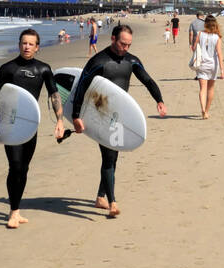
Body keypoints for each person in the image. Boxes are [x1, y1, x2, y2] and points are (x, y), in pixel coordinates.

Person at [70, 24, 167, 218]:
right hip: (100, 114)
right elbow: (80, 87)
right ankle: (112, 202)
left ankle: (100, 196)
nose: (125, 48)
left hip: (119, 116)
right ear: (113, 39)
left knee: (113, 157)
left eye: (129, 45)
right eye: (122, 43)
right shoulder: (99, 61)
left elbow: (147, 81)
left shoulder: (131, 61)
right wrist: (76, 116)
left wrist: (159, 100)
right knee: (108, 156)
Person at [0, 29, 66, 229]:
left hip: (30, 125)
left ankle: (16, 210)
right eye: (24, 43)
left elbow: (54, 95)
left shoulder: (44, 69)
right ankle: (13, 212)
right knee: (16, 166)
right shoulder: (8, 69)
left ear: (37, 47)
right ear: (19, 44)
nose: (26, 47)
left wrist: (60, 121)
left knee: (24, 168)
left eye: (31, 44)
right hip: (10, 125)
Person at [193, 15, 224, 119]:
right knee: (210, 89)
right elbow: (219, 53)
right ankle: (206, 111)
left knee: (202, 89)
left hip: (201, 63)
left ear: (205, 24)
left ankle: (202, 109)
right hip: (213, 65)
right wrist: (222, 69)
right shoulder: (217, 37)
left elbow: (194, 48)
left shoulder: (199, 34)